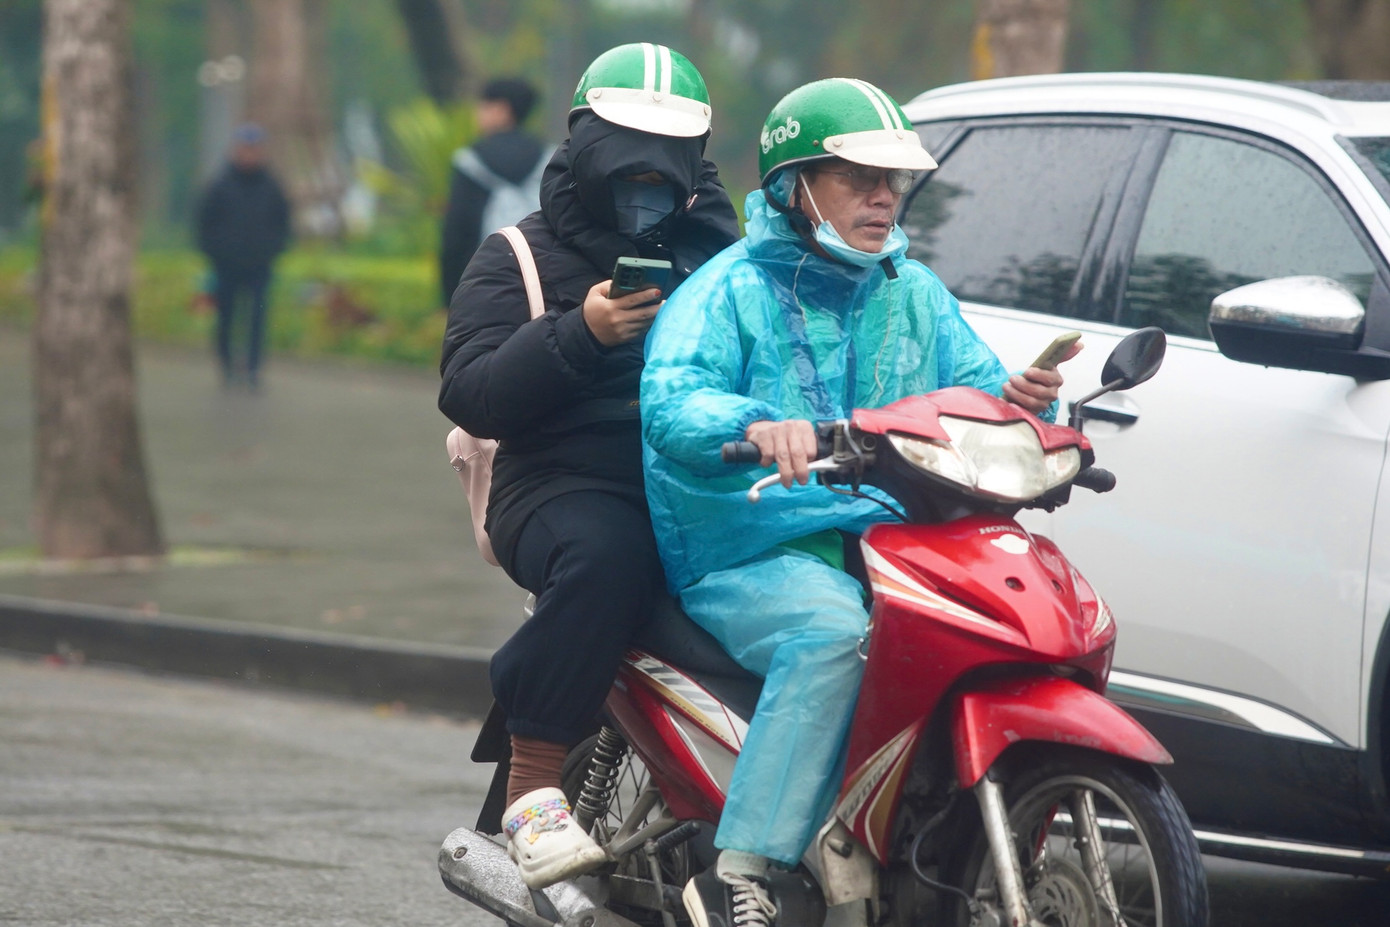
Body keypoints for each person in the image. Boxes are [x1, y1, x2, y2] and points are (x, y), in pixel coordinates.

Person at [640, 78, 1081, 927]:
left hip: (888, 534)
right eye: (858, 178)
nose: (884, 197)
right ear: (792, 186)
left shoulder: (911, 290)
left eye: (893, 180)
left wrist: (1025, 401)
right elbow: (672, 400)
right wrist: (755, 422)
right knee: (834, 635)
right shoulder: (726, 290)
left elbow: (974, 390)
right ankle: (741, 869)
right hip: (750, 540)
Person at [437, 43, 739, 890]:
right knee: (610, 553)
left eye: (667, 151)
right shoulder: (517, 254)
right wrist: (582, 332)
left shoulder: (723, 260)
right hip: (558, 485)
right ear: (583, 143)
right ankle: (532, 791)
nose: (646, 173)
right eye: (627, 146)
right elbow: (469, 391)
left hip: (696, 487)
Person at [438, 77, 550, 306]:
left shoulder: (470, 161)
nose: (477, 114)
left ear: (502, 110)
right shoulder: (550, 158)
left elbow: (457, 233)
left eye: (483, 106)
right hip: (540, 280)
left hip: (483, 283)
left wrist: (451, 295)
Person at [195, 123, 291, 389]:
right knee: (226, 317)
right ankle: (226, 366)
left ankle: (253, 368)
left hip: (260, 267)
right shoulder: (219, 185)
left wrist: (274, 250)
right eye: (245, 149)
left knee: (257, 318)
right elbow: (204, 223)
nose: (249, 154)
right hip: (226, 266)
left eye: (254, 149)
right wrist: (215, 253)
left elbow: (283, 223)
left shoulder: (272, 187)